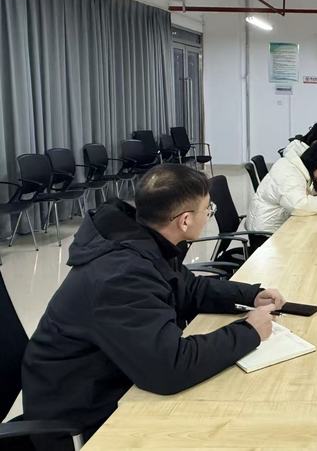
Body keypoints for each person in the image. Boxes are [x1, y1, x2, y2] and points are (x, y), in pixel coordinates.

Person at [22, 165, 284, 444]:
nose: (210, 214)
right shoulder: (121, 274)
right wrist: (248, 332)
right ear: (185, 220)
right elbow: (170, 368)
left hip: (120, 373)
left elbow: (189, 288)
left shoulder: (146, 240)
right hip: (81, 414)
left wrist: (250, 295)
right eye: (208, 209)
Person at [246, 142, 317, 234]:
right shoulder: (290, 174)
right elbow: (299, 206)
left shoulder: (296, 167)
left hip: (273, 224)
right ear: (314, 162)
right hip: (265, 232)